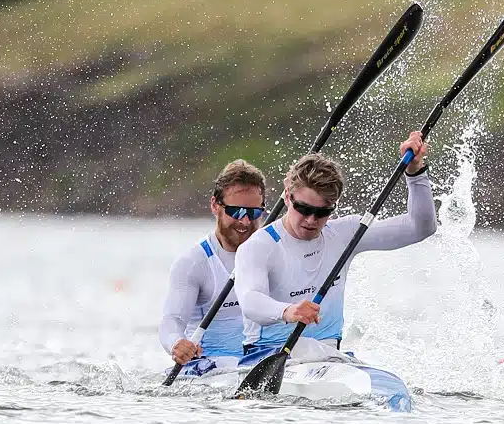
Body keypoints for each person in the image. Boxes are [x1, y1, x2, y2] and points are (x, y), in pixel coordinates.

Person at [233, 131, 436, 359]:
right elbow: (250, 300)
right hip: (266, 356)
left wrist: (415, 172)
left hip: (327, 359)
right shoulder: (259, 246)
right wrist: (287, 311)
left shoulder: (345, 234)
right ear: (287, 197)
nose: (311, 220)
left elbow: (420, 227)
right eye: (304, 208)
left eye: (323, 212)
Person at [158, 159, 267, 373]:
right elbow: (172, 321)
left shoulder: (273, 252)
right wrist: (176, 344)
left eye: (254, 213)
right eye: (235, 212)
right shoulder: (194, 263)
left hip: (261, 360)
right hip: (210, 369)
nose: (245, 222)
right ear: (215, 206)